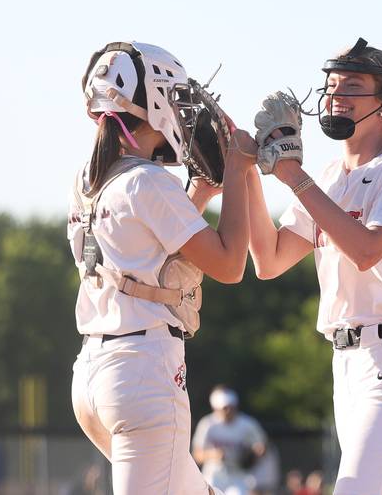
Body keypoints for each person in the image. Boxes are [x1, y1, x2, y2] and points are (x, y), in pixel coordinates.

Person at [246, 37, 382, 494]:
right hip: (346, 368)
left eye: (351, 86)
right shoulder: (330, 176)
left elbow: (368, 250)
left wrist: (293, 175)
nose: (335, 96)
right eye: (331, 85)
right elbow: (270, 260)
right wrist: (247, 171)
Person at [68, 41, 256, 495]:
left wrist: (201, 197)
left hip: (94, 374)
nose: (180, 110)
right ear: (150, 100)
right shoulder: (149, 181)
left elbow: (149, 257)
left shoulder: (89, 179)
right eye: (172, 97)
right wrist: (236, 169)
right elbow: (230, 264)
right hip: (142, 374)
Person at [192, 386, 268, 495]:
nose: (228, 411)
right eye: (224, 408)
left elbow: (262, 446)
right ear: (216, 408)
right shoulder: (207, 424)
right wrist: (213, 454)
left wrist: (255, 452)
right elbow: (197, 454)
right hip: (214, 476)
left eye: (230, 407)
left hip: (238, 476)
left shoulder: (247, 424)